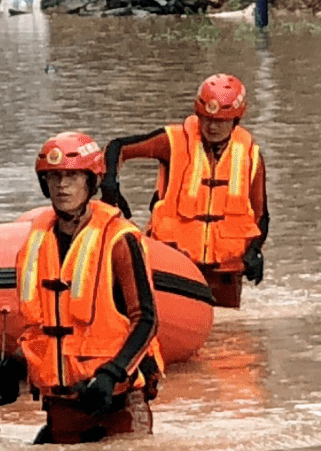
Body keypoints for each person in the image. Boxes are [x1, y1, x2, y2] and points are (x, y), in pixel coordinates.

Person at [0, 132, 162, 445]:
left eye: (72, 176)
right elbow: (41, 328)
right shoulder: (35, 245)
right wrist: (14, 364)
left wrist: (112, 374)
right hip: (62, 408)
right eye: (53, 177)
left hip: (116, 406)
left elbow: (147, 320)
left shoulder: (120, 241)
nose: (62, 186)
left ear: (91, 180)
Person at [99, 73, 269, 308]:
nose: (211, 126)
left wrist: (255, 252)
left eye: (220, 121)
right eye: (206, 118)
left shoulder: (251, 157)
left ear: (235, 120)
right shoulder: (173, 142)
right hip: (172, 267)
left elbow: (261, 216)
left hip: (225, 275)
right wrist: (110, 184)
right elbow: (118, 147)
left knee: (230, 339)